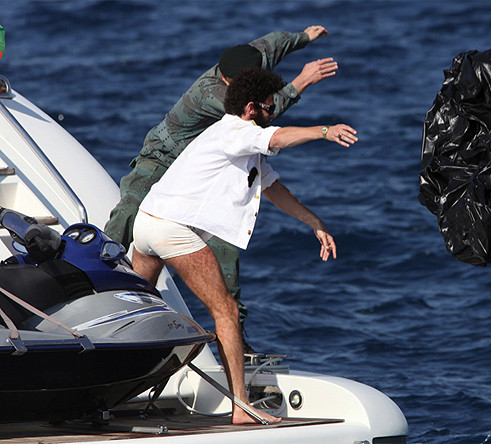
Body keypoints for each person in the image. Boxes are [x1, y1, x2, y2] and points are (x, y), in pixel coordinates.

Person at [131, 67, 358, 424]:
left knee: (136, 310)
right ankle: (241, 407)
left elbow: (273, 189)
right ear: (250, 108)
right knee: (227, 311)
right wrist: (325, 131)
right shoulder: (236, 131)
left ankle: (111, 388)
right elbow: (279, 137)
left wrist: (314, 222)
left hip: (147, 223)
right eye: (268, 107)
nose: (272, 113)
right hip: (170, 228)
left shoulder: (237, 142)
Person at [104, 26, 337, 342]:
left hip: (202, 167)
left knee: (226, 251)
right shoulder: (214, 93)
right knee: (129, 213)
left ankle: (235, 331)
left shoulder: (248, 60)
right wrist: (301, 82)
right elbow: (264, 116)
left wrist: (304, 37)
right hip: (162, 159)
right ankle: (99, 272)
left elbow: (272, 44)